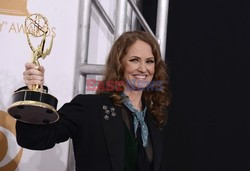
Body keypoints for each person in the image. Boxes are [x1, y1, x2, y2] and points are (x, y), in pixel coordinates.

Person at [16, 30, 171, 171]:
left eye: (149, 61)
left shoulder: (153, 118)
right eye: (135, 60)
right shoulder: (89, 107)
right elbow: (34, 139)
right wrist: (33, 93)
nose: (143, 69)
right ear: (119, 63)